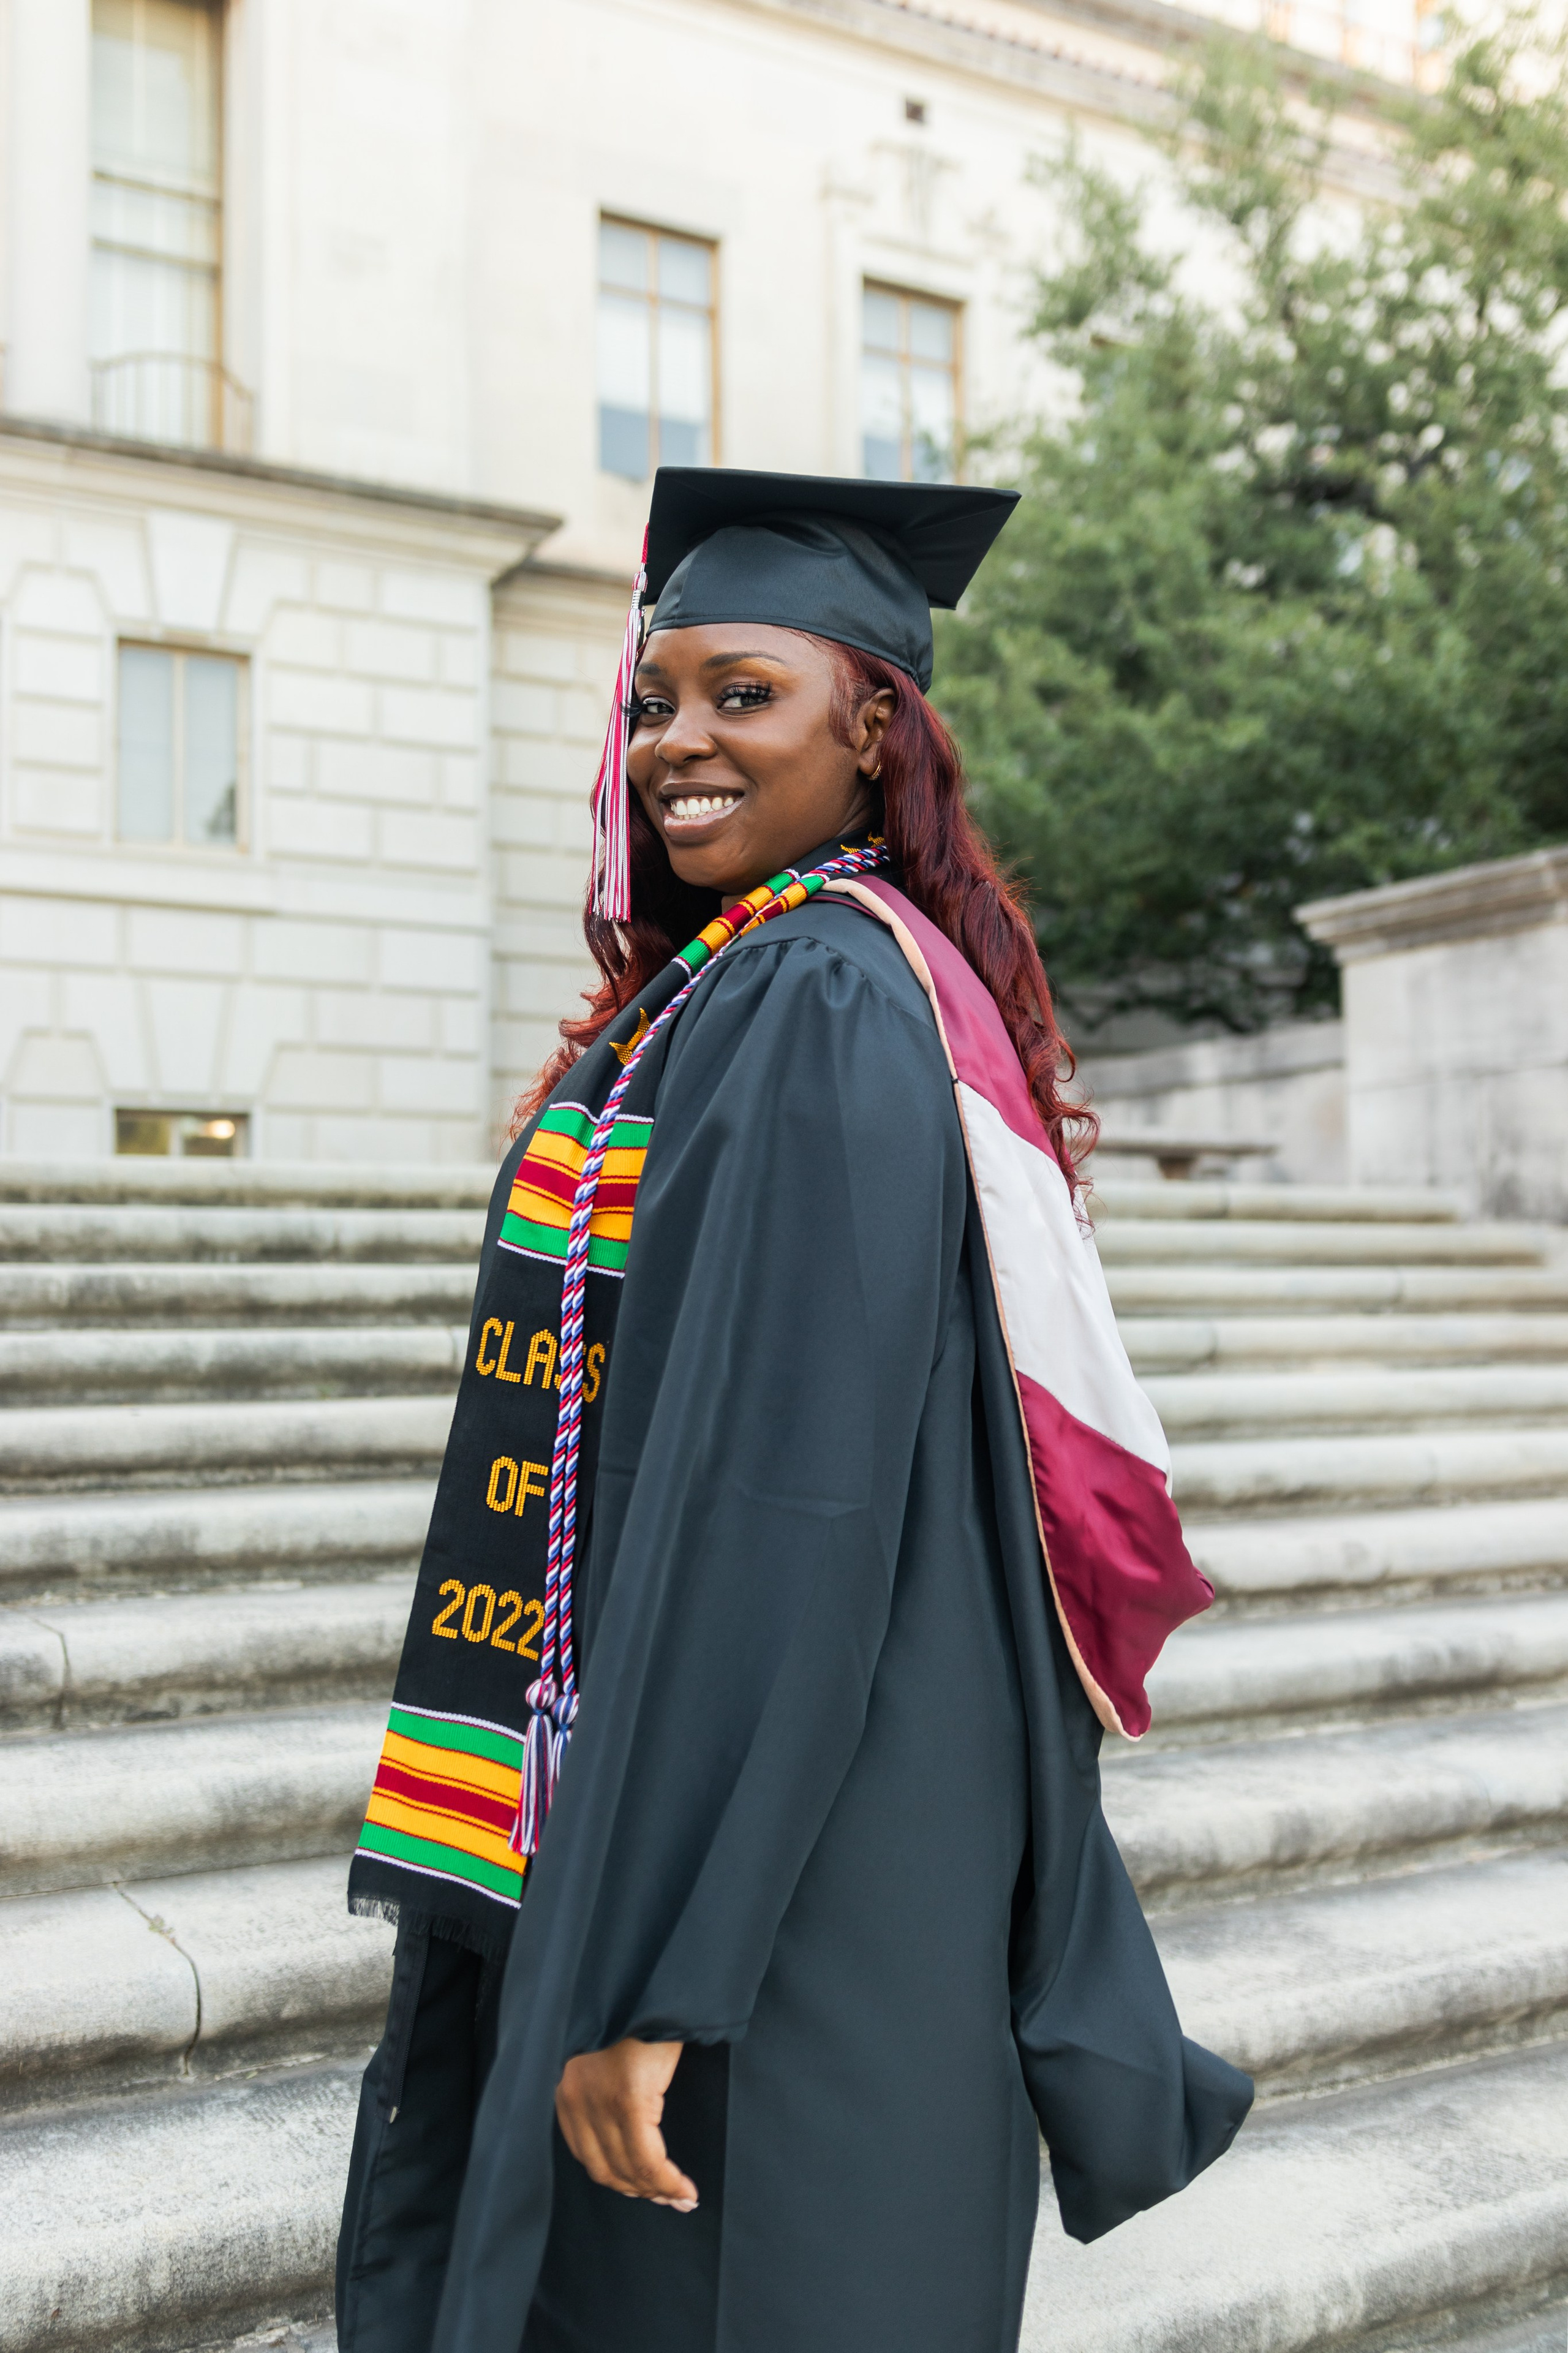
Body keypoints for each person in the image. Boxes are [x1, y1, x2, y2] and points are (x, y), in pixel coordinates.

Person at [336, 468, 1251, 2353]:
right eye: (654, 697)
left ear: (875, 725)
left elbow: (784, 1507)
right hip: (800, 1840)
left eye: (740, 692)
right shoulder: (767, 980)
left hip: (788, 1908)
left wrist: (656, 1969)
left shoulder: (818, 996)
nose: (677, 739)